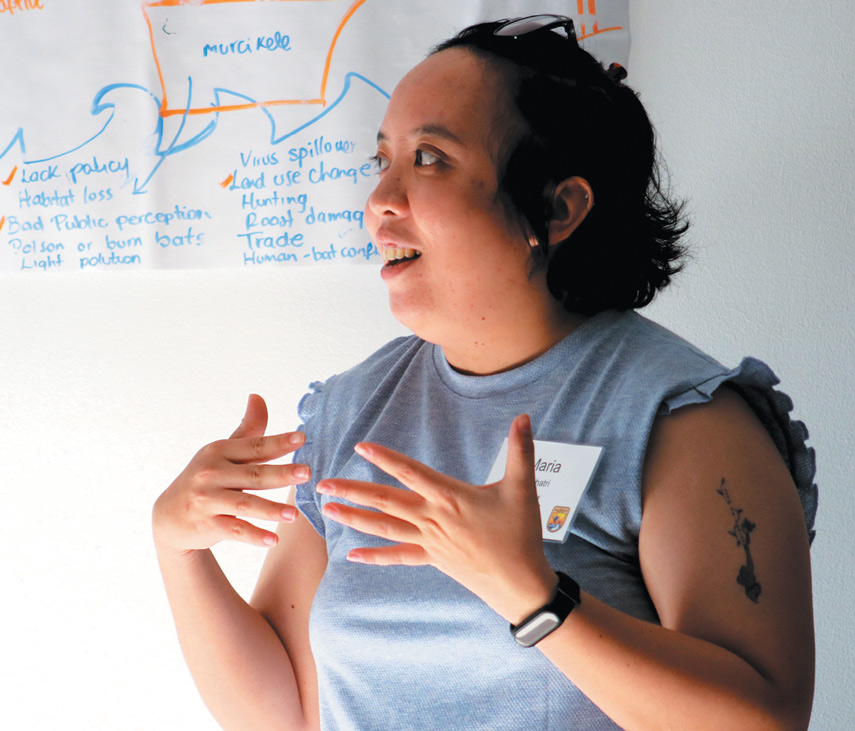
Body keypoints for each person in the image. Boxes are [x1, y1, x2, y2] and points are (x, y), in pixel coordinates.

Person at [153, 15, 817, 730]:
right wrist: (179, 547)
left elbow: (763, 719)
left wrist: (534, 597)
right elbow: (283, 713)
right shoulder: (350, 413)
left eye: (431, 159)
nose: (381, 201)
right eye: (385, 161)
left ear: (559, 208)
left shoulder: (684, 419)